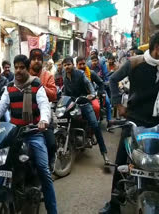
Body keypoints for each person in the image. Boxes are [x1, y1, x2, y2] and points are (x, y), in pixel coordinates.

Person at [0, 55, 57, 214]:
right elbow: (1, 106)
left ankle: (53, 210)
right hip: (14, 133)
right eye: (16, 67)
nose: (18, 70)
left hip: (33, 133)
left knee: (44, 171)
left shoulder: (36, 85)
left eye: (21, 67)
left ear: (27, 68)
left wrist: (44, 120)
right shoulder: (9, 87)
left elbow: (44, 106)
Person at [99, 31, 159, 214]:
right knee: (121, 161)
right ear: (157, 48)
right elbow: (113, 79)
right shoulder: (134, 62)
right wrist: (118, 104)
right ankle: (115, 203)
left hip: (157, 121)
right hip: (135, 119)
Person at [62, 56, 110, 164]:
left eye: (68, 64)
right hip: (73, 103)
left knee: (95, 124)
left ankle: (104, 153)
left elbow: (88, 83)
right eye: (65, 65)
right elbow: (65, 91)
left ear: (73, 65)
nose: (67, 67)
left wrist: (92, 94)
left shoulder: (80, 73)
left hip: (84, 102)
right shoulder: (64, 75)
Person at [29, 48, 57, 169]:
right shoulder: (25, 75)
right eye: (34, 59)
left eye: (39, 59)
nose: (36, 61)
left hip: (44, 113)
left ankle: (50, 163)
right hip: (26, 113)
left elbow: (53, 94)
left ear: (42, 61)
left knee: (51, 143)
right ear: (30, 61)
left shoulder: (48, 76)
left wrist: (39, 86)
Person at [76, 56, 104, 120]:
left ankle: (95, 124)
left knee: (96, 107)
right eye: (80, 64)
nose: (82, 66)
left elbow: (101, 83)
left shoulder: (91, 73)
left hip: (91, 95)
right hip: (77, 97)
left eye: (83, 64)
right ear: (76, 65)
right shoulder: (74, 74)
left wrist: (98, 93)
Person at [90, 55, 113, 126]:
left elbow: (105, 77)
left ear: (98, 61)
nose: (95, 62)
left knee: (107, 102)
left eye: (96, 61)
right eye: (93, 61)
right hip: (91, 90)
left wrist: (106, 83)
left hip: (100, 88)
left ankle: (109, 121)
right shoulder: (88, 68)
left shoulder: (102, 67)